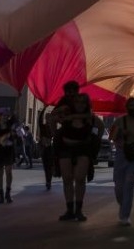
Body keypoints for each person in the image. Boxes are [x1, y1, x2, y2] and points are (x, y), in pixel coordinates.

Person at [50, 91, 101, 222]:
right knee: (67, 179)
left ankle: (78, 210)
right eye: (77, 101)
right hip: (66, 148)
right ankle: (69, 210)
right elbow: (52, 118)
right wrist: (56, 133)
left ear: (86, 104)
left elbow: (99, 127)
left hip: (83, 149)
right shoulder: (66, 114)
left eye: (83, 102)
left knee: (79, 178)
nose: (80, 104)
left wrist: (94, 138)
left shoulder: (89, 117)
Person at [110, 97, 134, 226]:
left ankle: (125, 215)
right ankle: (124, 206)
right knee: (118, 186)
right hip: (121, 154)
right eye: (130, 105)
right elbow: (112, 137)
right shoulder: (120, 120)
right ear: (126, 107)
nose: (132, 107)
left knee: (129, 185)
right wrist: (120, 132)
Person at [0, 110, 18, 204]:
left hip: (9, 151)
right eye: (4, 115)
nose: (5, 117)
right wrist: (0, 142)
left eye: (7, 116)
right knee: (0, 173)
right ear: (0, 116)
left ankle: (8, 193)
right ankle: (1, 194)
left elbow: (15, 137)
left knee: (9, 171)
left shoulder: (10, 126)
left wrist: (14, 135)